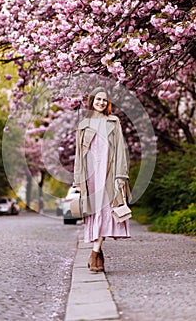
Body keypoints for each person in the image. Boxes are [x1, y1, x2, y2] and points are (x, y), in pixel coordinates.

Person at [73, 87, 131, 272]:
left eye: (104, 100)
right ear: (92, 101)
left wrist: (121, 175)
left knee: (107, 212)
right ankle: (98, 254)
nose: (101, 102)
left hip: (109, 174)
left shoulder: (113, 122)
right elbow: (78, 156)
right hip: (90, 177)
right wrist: (79, 181)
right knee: (95, 213)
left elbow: (120, 149)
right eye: (98, 99)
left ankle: (94, 253)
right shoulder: (83, 125)